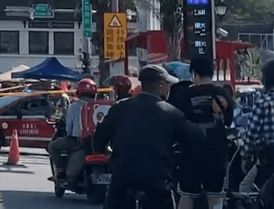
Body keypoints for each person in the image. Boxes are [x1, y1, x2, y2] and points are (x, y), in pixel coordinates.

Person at [94, 65, 202, 209]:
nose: (169, 89)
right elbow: (195, 137)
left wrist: (105, 151)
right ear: (160, 86)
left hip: (123, 178)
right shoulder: (172, 113)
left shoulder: (120, 108)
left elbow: (99, 137)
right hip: (157, 181)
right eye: (168, 85)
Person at [168, 57, 234, 209]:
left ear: (194, 74)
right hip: (216, 154)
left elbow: (175, 123)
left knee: (187, 196)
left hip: (190, 154)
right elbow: (229, 121)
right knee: (215, 198)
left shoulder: (182, 94)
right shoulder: (222, 93)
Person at [48, 78, 97, 184]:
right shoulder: (98, 106)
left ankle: (60, 170)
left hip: (77, 142)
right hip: (98, 143)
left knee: (53, 146)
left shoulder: (74, 106)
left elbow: (68, 128)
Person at [242, 60, 274, 194]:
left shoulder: (263, 103)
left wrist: (246, 159)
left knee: (245, 188)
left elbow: (251, 136)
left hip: (269, 159)